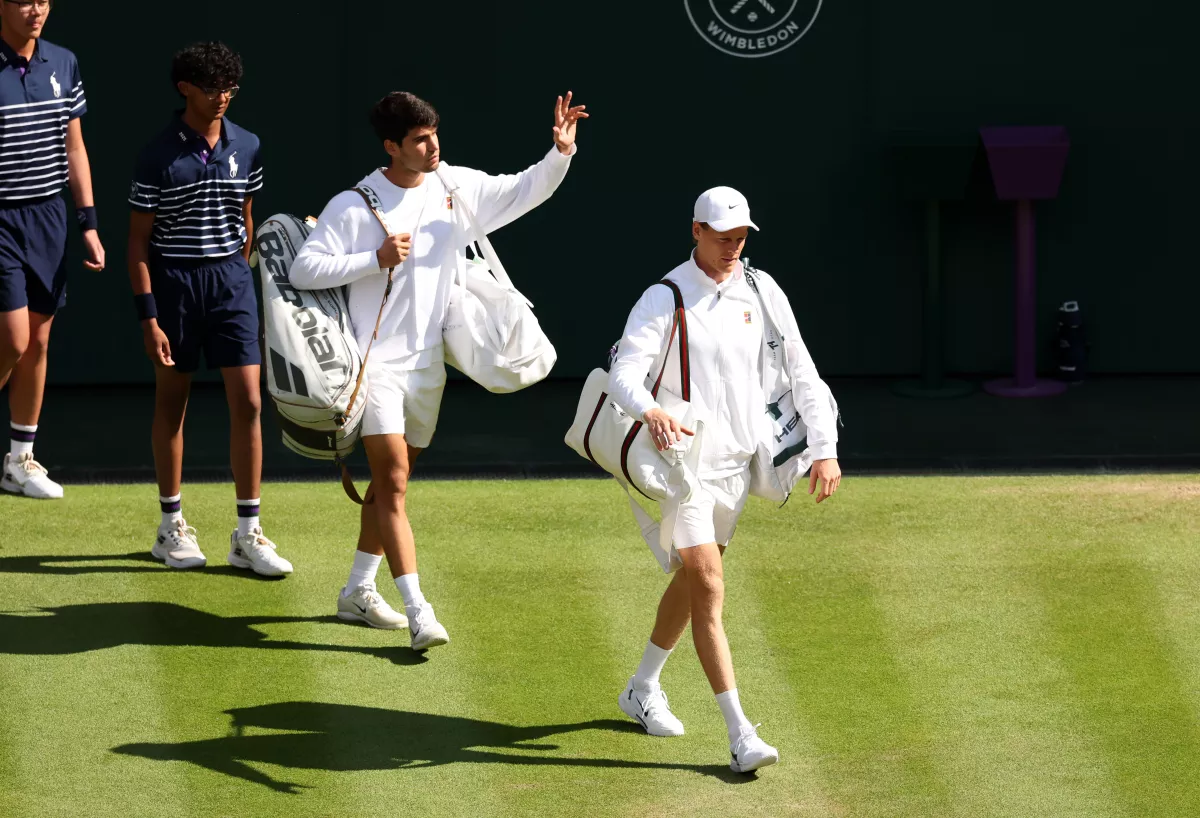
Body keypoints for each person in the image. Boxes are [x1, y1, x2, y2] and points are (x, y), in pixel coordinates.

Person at [290, 90, 587, 649]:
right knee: (395, 484)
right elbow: (307, 268)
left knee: (388, 486)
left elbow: (525, 189)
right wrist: (373, 259)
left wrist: (560, 151)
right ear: (391, 146)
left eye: (434, 136)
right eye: (420, 140)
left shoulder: (453, 185)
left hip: (428, 367)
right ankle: (418, 609)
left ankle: (357, 589)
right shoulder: (354, 205)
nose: (433, 147)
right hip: (373, 364)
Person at [607, 186, 842, 773]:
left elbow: (803, 371)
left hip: (737, 467)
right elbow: (623, 374)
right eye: (722, 236)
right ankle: (741, 735)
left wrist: (824, 447)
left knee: (691, 584)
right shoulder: (663, 297)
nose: (733, 247)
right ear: (696, 231)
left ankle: (641, 687)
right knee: (709, 585)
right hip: (683, 470)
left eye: (741, 237)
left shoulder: (762, 290)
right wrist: (652, 411)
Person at [127, 42, 291, 577]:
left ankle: (247, 534)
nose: (222, 97)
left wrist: (238, 281)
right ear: (185, 89)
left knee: (248, 402)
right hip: (173, 285)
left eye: (230, 88)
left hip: (230, 282)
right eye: (211, 88)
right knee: (172, 404)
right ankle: (170, 526)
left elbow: (246, 218)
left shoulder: (249, 144)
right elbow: (137, 245)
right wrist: (150, 317)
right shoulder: (156, 155)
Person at [0, 0, 105, 499]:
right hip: (1, 218)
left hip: (48, 217)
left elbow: (74, 146)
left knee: (39, 341)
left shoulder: (63, 61)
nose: (35, 10)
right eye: (24, 1)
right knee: (14, 339)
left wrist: (88, 223)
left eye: (42, 0)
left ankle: (20, 459)